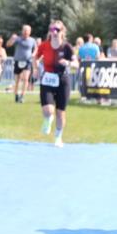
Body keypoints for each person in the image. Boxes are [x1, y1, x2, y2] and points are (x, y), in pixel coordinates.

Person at [34, 20, 75, 148]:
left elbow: (76, 64)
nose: (54, 32)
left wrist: (67, 63)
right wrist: (36, 69)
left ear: (62, 32)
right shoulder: (44, 45)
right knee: (48, 110)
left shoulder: (67, 47)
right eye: (52, 30)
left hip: (63, 80)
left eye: (57, 30)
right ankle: (48, 118)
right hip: (47, 79)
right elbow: (35, 57)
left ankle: (58, 137)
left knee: (60, 112)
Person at [7, 25, 37, 103]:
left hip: (27, 61)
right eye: (24, 30)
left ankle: (22, 96)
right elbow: (8, 45)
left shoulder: (32, 40)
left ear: (30, 32)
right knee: (17, 80)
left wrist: (33, 54)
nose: (25, 32)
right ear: (22, 31)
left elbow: (36, 49)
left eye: (27, 31)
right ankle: (16, 95)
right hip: (18, 61)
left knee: (26, 79)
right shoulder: (18, 39)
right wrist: (11, 39)